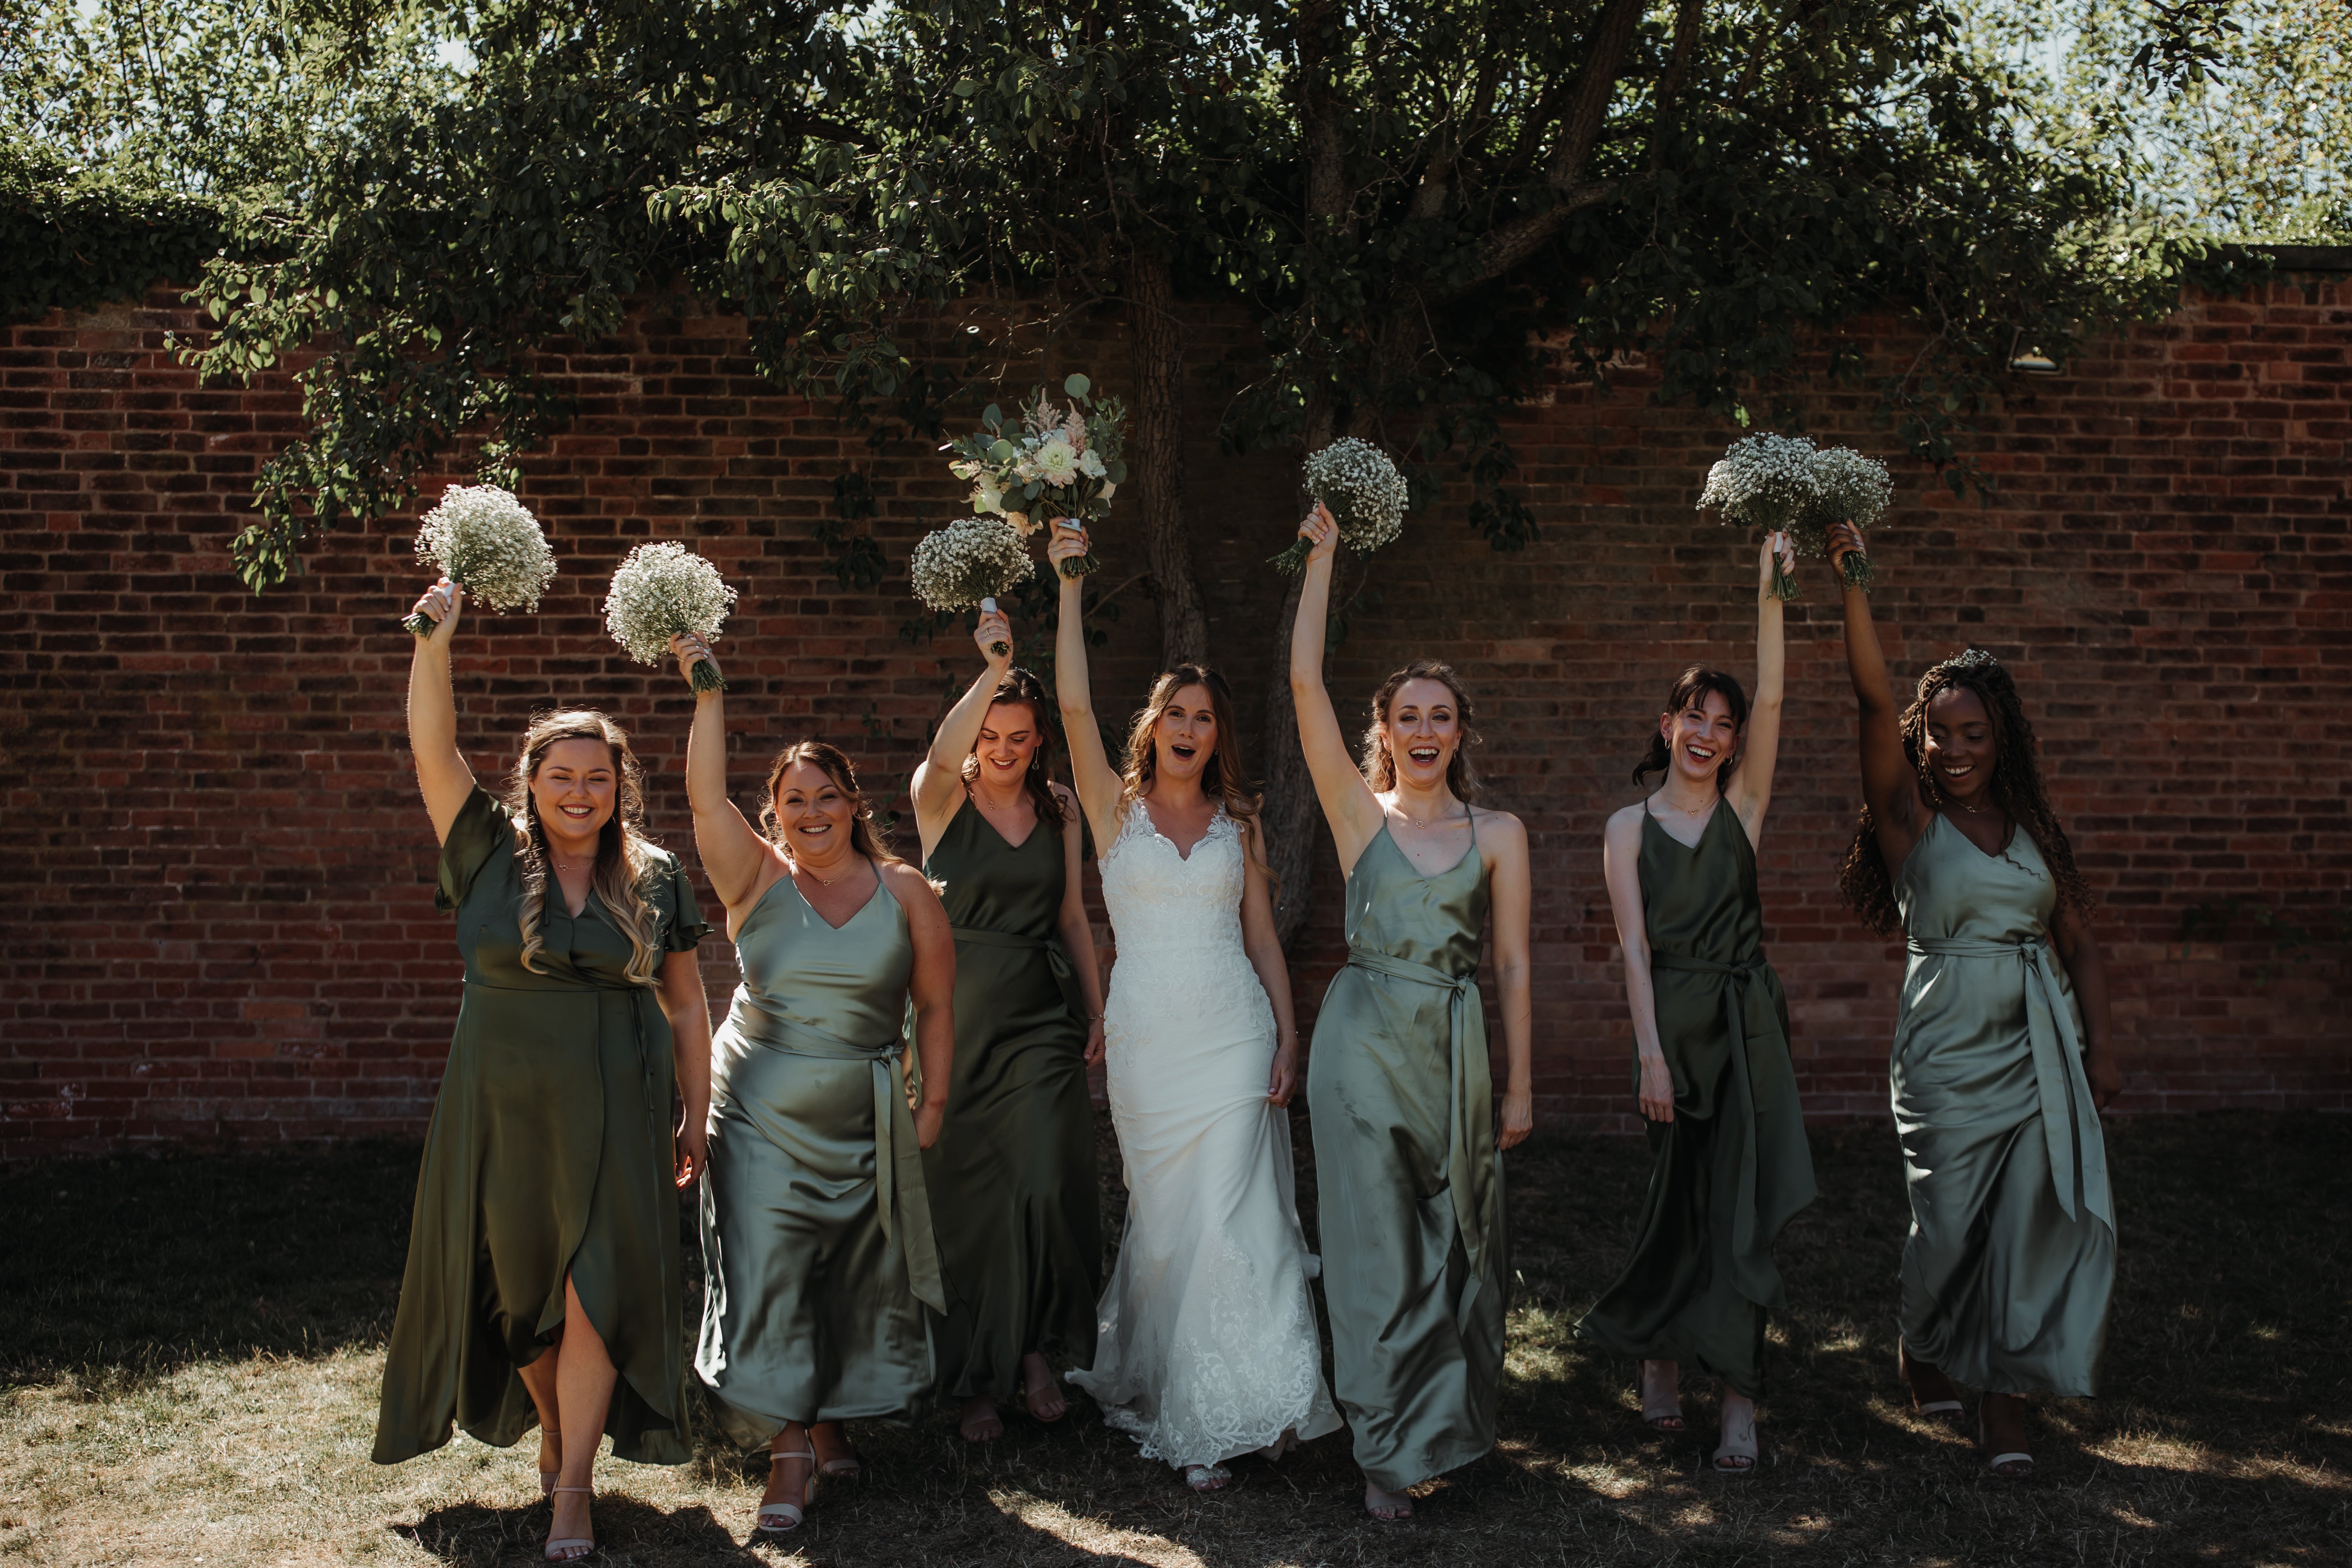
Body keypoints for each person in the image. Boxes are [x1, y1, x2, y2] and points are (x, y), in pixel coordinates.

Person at [375, 579, 713, 1564]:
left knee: (592, 1291)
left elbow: (688, 1002)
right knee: (520, 1298)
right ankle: (561, 1433)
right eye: (562, 776)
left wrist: (696, 1114)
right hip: (501, 1104)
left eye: (597, 779)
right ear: (531, 780)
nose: (580, 793)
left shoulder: (653, 875)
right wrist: (433, 643)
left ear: (619, 786)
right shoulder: (484, 849)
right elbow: (431, 748)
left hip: (617, 1098)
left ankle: (573, 1494)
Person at [1049, 521, 1342, 1491]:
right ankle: (1182, 1381)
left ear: (1219, 734)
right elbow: (1072, 698)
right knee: (1172, 1225)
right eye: (1176, 712)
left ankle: (1243, 1409)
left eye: (1205, 717)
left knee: (1237, 1222)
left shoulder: (1240, 823)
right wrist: (1067, 581)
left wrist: (1290, 1033)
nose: (1189, 728)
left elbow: (1263, 939)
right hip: (1146, 1043)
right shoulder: (1108, 808)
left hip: (1232, 1034)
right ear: (1152, 724)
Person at [1826, 522, 2121, 1479]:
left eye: (1973, 734)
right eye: (1938, 733)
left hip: (2040, 1042)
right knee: (1947, 1226)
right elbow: (1872, 697)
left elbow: (2075, 939)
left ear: (2002, 740)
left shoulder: (2033, 827)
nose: (1953, 750)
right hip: (1946, 1045)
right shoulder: (1909, 819)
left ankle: (2002, 1403)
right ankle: (1920, 1337)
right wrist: (1854, 582)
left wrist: (2100, 1047)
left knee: (2027, 1225)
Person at [669, 631, 957, 1535]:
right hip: (755, 1113)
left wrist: (932, 1103)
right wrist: (706, 690)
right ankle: (789, 1459)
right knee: (775, 1271)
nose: (811, 812)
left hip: (865, 1117)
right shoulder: (753, 877)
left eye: (826, 795)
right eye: (794, 800)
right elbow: (702, 795)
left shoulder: (907, 892)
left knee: (839, 1272)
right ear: (775, 812)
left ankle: (825, 1422)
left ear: (851, 803)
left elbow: (939, 1010)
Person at [1283, 504, 1536, 1520]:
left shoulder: (1498, 833)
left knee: (1459, 1239)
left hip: (1457, 1043)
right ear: (1382, 732)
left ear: (1460, 730)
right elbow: (1304, 684)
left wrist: (1521, 1080)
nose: (1424, 730)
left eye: (1441, 716)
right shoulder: (1359, 817)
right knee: (1373, 1241)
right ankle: (1384, 1449)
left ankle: (1448, 1423)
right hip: (1362, 1042)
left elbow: (1513, 963)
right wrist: (1321, 559)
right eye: (1408, 716)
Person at [1576, 533, 1818, 1476]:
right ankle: (1660, 1361)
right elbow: (1633, 946)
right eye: (1692, 714)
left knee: (1738, 1216)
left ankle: (1740, 1407)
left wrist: (1771, 589)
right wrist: (1648, 1055)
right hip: (1671, 1034)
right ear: (1666, 723)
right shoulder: (1625, 827)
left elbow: (1781, 693)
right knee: (1675, 1205)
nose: (1706, 731)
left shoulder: (1743, 810)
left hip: (1746, 1030)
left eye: (1722, 720)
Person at [907, 607, 1108, 1443]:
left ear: (1037, 743)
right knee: (967, 1199)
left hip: (1038, 1012)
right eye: (992, 733)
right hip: (955, 1015)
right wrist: (992, 669)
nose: (1003, 748)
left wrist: (1099, 1007)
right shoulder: (937, 803)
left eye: (1020, 736)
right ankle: (974, 1378)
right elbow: (943, 754)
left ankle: (1032, 1351)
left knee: (1043, 1180)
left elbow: (1070, 915)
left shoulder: (1060, 812)